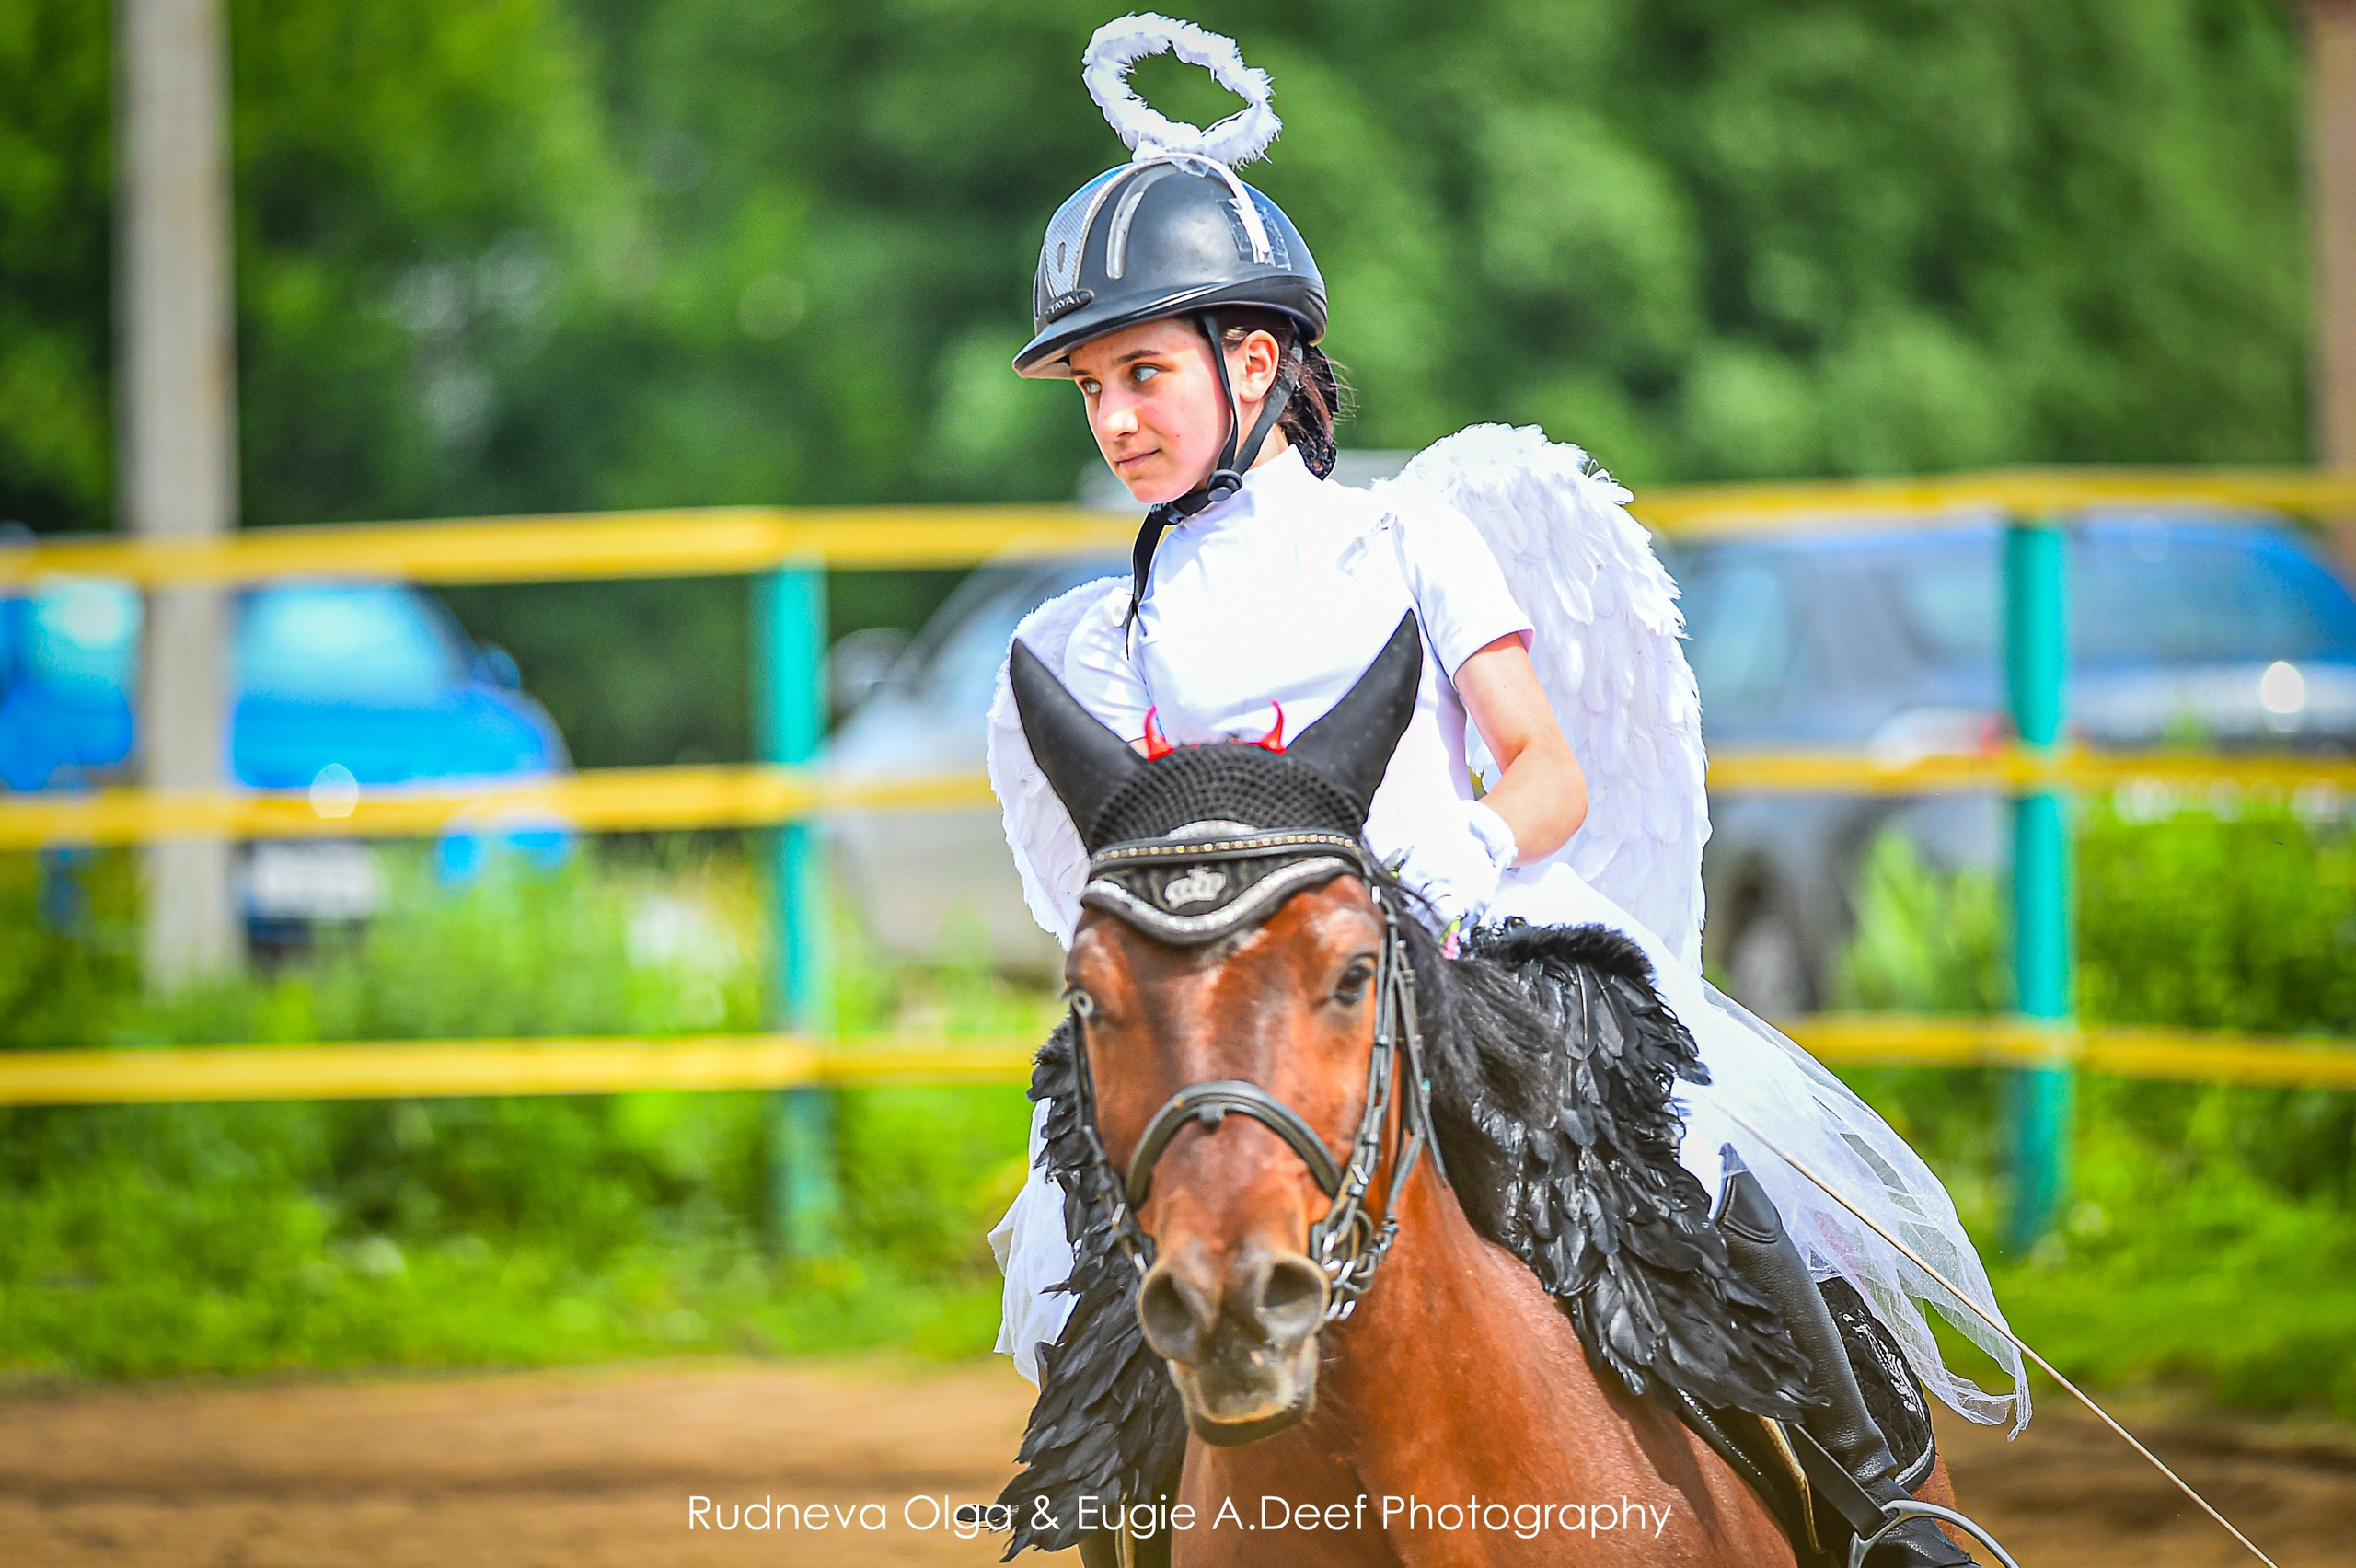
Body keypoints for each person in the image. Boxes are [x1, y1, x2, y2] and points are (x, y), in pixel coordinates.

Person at [987, 17, 2020, 1566]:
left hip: (1483, 934)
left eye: (1143, 374)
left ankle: (1883, 1503)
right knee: (1131, 1218)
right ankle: (1125, 1523)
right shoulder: (1092, 629)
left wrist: (1462, 854)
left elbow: (1547, 766)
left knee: (1699, 1142)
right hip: (1273, 981)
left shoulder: (1411, 537)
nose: (1116, 418)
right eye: (1092, 389)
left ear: (1253, 361)